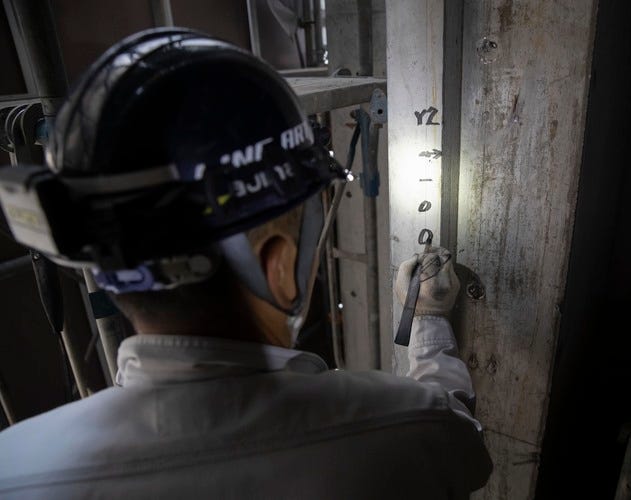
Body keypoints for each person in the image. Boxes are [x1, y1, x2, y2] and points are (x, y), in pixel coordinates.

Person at [0, 28, 492, 499]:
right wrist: (428, 321)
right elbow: (464, 447)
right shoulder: (405, 430)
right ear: (278, 263)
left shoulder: (15, 470)